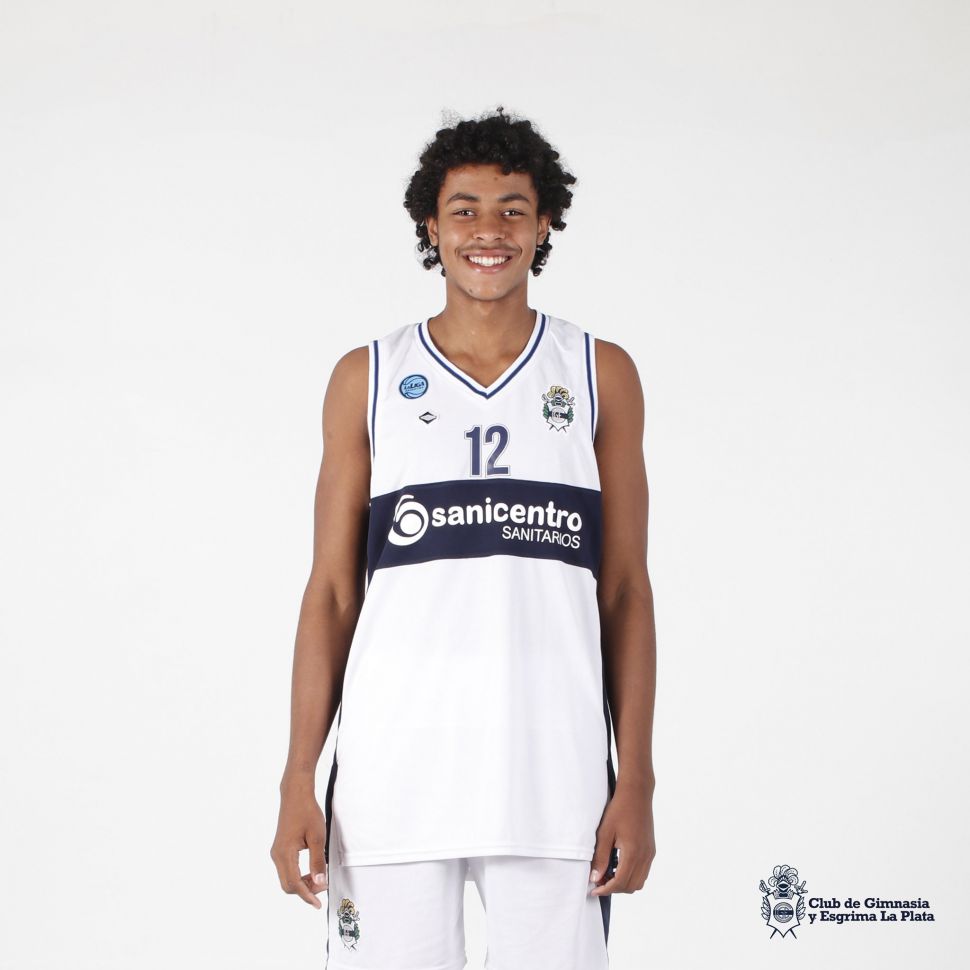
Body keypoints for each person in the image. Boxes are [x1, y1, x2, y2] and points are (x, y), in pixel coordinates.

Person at [271, 106, 657, 970]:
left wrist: (636, 776)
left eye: (513, 209)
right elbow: (331, 592)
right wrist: (299, 774)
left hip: (554, 778)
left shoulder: (599, 373)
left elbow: (626, 589)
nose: (490, 231)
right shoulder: (368, 377)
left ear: (545, 223)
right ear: (430, 226)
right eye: (466, 210)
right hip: (392, 777)